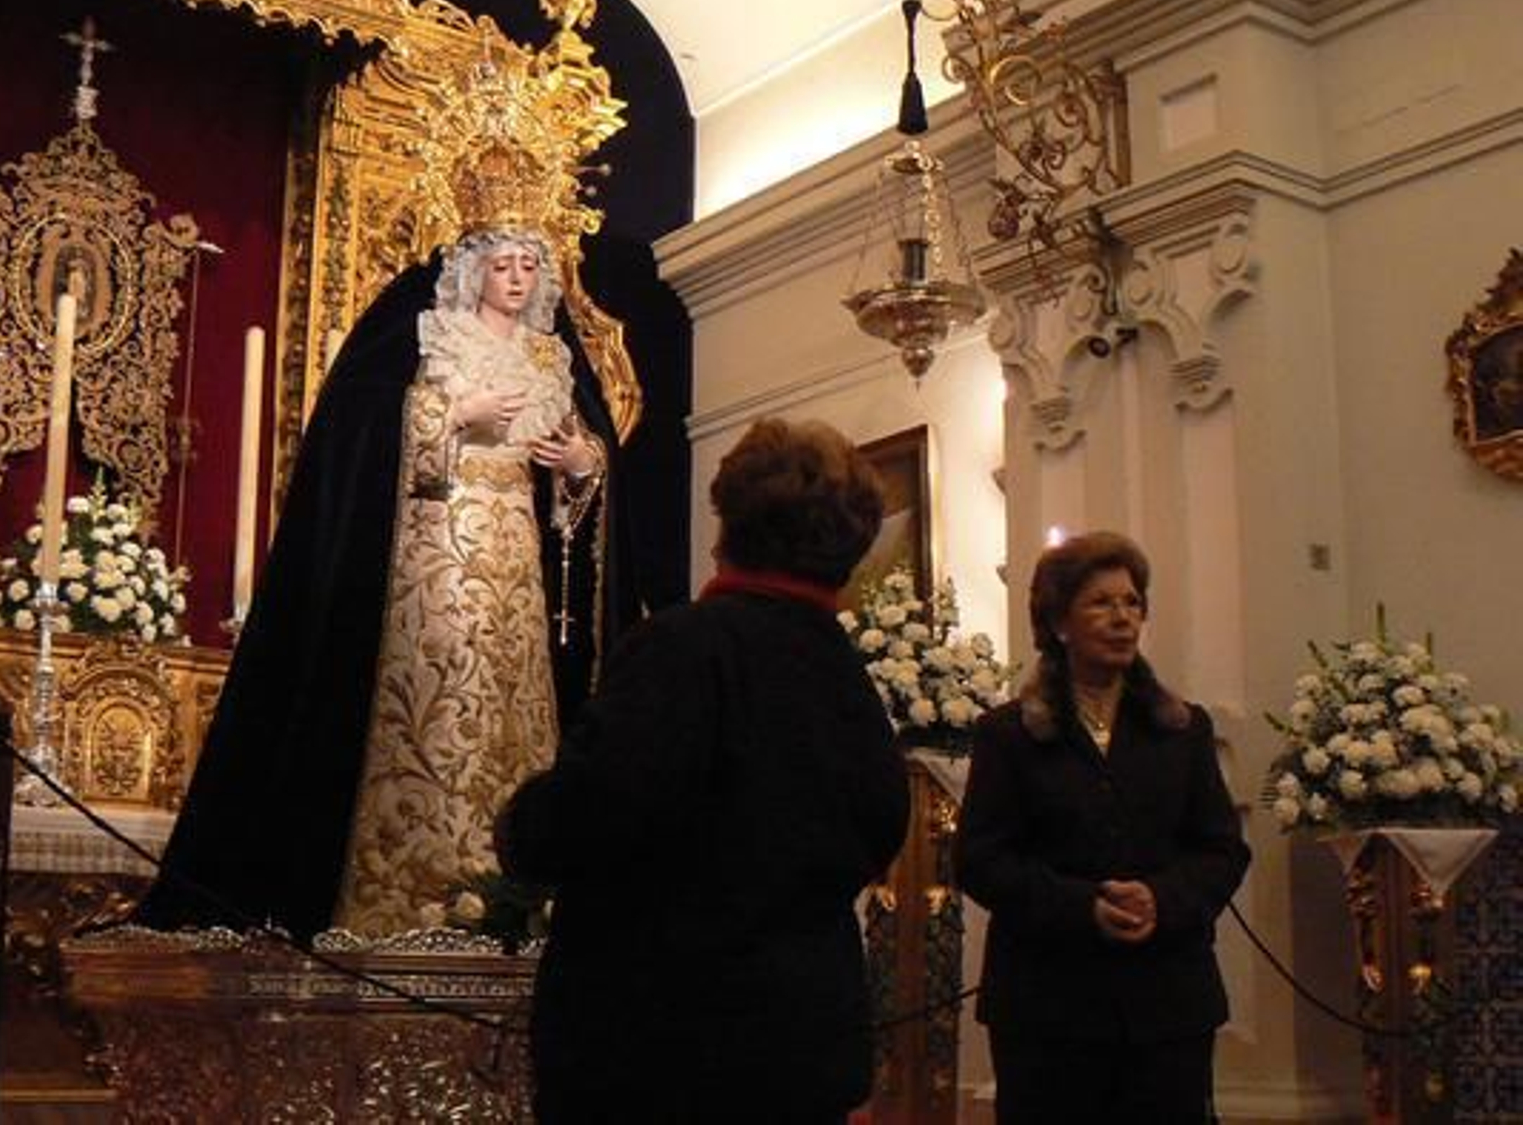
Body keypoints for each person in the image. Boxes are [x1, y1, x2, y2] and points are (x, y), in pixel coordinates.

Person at [134, 226, 637, 940]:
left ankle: (510, 897)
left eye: (529, 266)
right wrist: (452, 416)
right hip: (433, 551)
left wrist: (582, 465)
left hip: (517, 557)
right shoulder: (424, 332)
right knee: (430, 694)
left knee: (510, 704)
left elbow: (585, 475)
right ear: (473, 270)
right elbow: (360, 423)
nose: (517, 280)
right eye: (503, 265)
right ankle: (402, 893)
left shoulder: (551, 355)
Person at [496, 417, 911, 1124]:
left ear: (729, 522)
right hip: (801, 1046)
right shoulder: (848, 678)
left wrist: (521, 821)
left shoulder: (684, 650)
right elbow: (881, 826)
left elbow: (588, 816)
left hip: (663, 1050)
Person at [954, 531, 1249, 1125]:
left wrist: (1161, 899)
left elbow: (1221, 851)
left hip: (1167, 1003)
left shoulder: (1181, 728)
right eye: (1101, 603)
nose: (1122, 618)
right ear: (1060, 623)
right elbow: (981, 860)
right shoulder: (1008, 735)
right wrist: (1081, 906)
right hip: (1049, 1007)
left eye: (1132, 602)